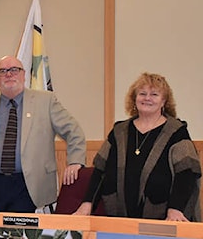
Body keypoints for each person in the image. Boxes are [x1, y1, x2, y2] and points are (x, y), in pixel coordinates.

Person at [74, 72, 201, 221]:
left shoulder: (177, 132)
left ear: (163, 101)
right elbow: (101, 170)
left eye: (154, 94)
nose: (147, 98)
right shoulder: (119, 131)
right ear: (134, 99)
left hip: (164, 220)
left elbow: (187, 173)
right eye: (142, 93)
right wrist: (87, 203)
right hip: (120, 219)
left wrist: (176, 209)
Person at [0, 55, 86, 212]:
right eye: (3, 71)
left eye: (14, 70)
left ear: (24, 74)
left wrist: (75, 161)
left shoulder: (46, 101)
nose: (9, 74)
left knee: (28, 236)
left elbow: (74, 131)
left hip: (31, 185)